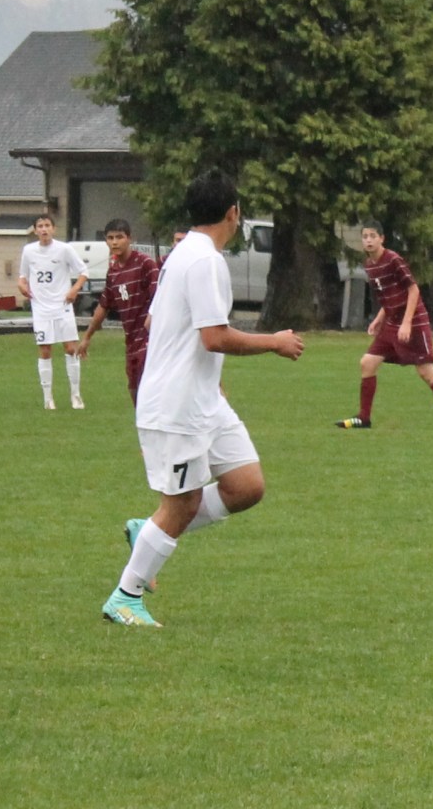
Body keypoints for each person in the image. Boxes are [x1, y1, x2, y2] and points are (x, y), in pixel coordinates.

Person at [102, 168, 304, 627]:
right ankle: (125, 597)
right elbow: (213, 337)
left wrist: (209, 381)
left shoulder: (184, 254)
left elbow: (156, 323)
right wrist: (274, 342)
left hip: (203, 400)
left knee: (246, 486)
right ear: (234, 213)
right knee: (182, 504)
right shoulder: (203, 261)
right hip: (177, 405)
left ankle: (147, 532)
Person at [334, 220, 433, 431]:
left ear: (382, 239)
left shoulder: (393, 260)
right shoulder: (370, 264)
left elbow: (413, 290)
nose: (368, 240)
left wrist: (406, 323)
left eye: (373, 236)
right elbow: (390, 297)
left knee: (425, 371)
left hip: (414, 323)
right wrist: (379, 319)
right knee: (367, 363)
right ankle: (364, 418)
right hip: (392, 323)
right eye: (365, 236)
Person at [76, 218, 159, 405]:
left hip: (150, 339)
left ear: (130, 238)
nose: (115, 242)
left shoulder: (145, 264)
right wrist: (87, 337)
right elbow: (104, 306)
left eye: (119, 237)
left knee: (148, 392)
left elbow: (159, 297)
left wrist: (153, 322)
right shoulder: (113, 272)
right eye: (110, 238)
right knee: (134, 392)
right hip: (131, 341)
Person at [18, 214, 90, 409]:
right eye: (40, 226)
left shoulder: (64, 249)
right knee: (45, 350)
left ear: (53, 228)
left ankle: (75, 395)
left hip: (62, 306)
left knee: (70, 349)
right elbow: (23, 276)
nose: (44, 229)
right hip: (41, 308)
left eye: (47, 225)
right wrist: (22, 285)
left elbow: (83, 272)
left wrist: (74, 290)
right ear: (35, 230)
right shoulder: (29, 251)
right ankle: (48, 398)